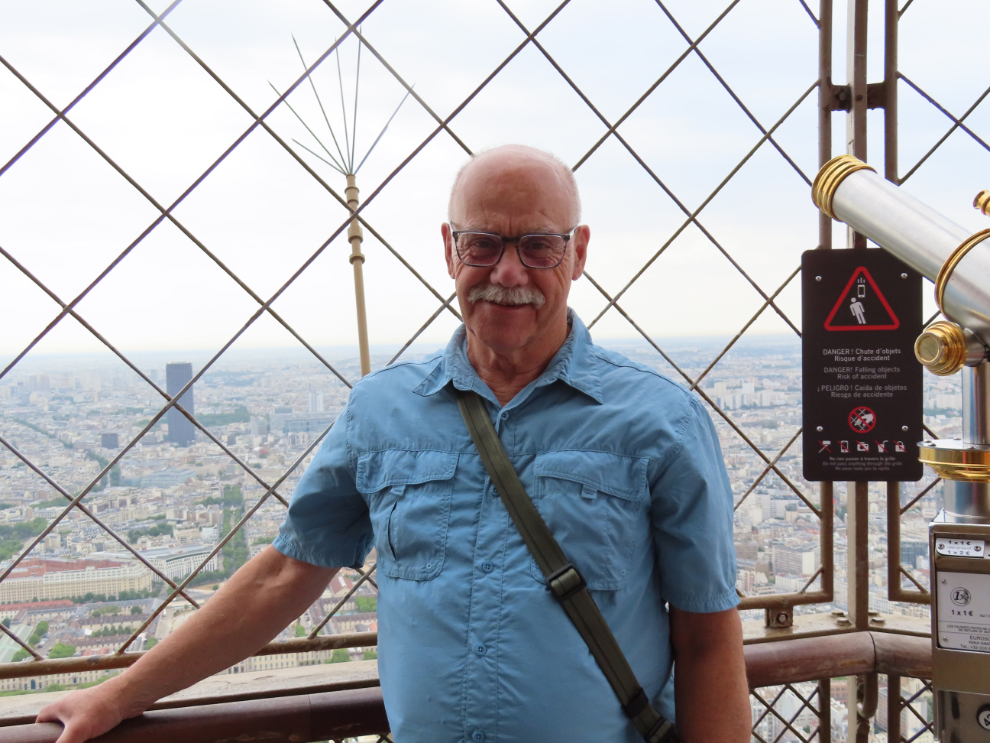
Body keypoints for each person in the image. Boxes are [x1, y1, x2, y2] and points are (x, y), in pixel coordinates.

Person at [37, 144, 750, 743]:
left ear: (578, 252)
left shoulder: (660, 421)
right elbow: (289, 573)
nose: (508, 273)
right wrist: (121, 693)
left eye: (537, 245)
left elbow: (709, 638)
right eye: (484, 244)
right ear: (449, 250)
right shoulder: (381, 408)